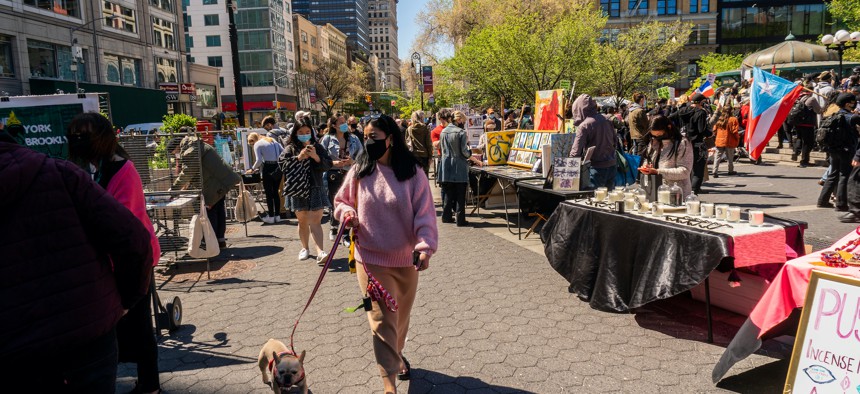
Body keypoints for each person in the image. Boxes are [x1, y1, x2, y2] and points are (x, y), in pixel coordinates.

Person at [1, 123, 153, 391]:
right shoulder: (61, 173)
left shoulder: (102, 170)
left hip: (21, 345)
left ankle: (150, 384)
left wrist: (126, 299)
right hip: (86, 330)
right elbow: (132, 237)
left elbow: (132, 234)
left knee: (141, 333)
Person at [333, 114, 438, 394]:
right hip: (370, 259)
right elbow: (342, 201)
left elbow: (425, 215)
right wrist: (348, 213)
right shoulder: (360, 170)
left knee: (400, 316)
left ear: (390, 139)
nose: (368, 142)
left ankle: (397, 355)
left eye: (374, 137)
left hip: (406, 260)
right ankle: (388, 382)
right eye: (365, 137)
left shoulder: (413, 173)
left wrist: (425, 247)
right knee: (381, 319)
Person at [65, 113, 163, 394]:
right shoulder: (98, 167)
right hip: (117, 262)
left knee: (140, 325)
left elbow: (124, 227)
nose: (76, 141)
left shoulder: (122, 171)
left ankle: (149, 385)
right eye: (73, 135)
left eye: (83, 135)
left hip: (133, 261)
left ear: (101, 137)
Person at [171, 129, 241, 248]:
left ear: (178, 147)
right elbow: (197, 170)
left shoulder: (190, 150)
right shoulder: (196, 145)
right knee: (218, 210)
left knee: (210, 212)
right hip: (221, 180)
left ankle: (211, 243)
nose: (177, 155)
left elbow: (188, 172)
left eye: (175, 152)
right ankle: (220, 240)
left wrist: (174, 189)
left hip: (216, 183)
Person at [280, 119, 333, 263]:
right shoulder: (290, 148)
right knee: (302, 220)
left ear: (312, 132)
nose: (304, 135)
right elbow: (282, 165)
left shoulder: (318, 146)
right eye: (301, 132)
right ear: (295, 133)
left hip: (315, 187)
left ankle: (320, 251)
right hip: (298, 189)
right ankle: (305, 248)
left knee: (316, 220)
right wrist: (298, 158)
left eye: (307, 132)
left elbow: (328, 164)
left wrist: (316, 157)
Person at [320, 115, 363, 242]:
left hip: (350, 174)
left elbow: (362, 156)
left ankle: (345, 233)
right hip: (333, 175)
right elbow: (321, 158)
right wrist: (333, 163)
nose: (345, 125)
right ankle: (334, 227)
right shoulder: (327, 139)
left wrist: (353, 161)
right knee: (335, 203)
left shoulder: (354, 139)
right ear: (334, 125)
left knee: (350, 203)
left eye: (345, 122)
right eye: (341, 122)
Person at [818, 93, 860, 211]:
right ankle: (841, 204)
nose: (854, 104)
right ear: (847, 104)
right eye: (852, 102)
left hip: (833, 149)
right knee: (844, 175)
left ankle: (822, 200)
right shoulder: (852, 117)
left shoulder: (834, 115)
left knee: (833, 174)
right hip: (847, 149)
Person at [438, 110, 480, 226]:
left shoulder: (444, 132)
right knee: (460, 194)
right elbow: (464, 152)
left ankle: (446, 216)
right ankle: (460, 219)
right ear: (458, 120)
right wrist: (472, 156)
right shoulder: (461, 133)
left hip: (446, 166)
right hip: (458, 166)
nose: (464, 123)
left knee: (448, 192)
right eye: (463, 121)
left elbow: (442, 150)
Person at [569, 94, 617, 190]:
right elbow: (615, 141)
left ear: (578, 109)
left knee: (594, 200)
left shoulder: (584, 125)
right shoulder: (606, 119)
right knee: (609, 200)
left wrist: (569, 169)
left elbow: (576, 151)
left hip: (596, 168)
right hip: (611, 165)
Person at [639, 115, 694, 197]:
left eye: (659, 134)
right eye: (654, 135)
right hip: (655, 191)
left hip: (677, 193)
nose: (657, 137)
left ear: (668, 127)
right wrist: (646, 167)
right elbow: (648, 159)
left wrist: (658, 171)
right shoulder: (654, 142)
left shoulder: (682, 143)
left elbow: (684, 171)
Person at [672, 93, 711, 194]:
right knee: (698, 172)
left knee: (685, 170)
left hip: (683, 144)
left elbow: (669, 118)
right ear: (701, 102)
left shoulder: (682, 111)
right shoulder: (701, 113)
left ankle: (684, 194)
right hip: (697, 144)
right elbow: (701, 130)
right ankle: (693, 195)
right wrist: (710, 133)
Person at [246, 132, 284, 223]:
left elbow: (258, 160)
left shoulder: (257, 144)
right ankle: (277, 216)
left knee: (268, 193)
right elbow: (283, 151)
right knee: (275, 192)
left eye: (251, 143)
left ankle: (271, 216)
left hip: (267, 167)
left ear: (253, 140)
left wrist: (252, 169)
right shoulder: (272, 140)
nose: (252, 145)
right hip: (277, 167)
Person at [788, 82, 821, 167]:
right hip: (808, 124)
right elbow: (819, 111)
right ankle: (804, 161)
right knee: (808, 142)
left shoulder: (798, 98)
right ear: (811, 91)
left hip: (797, 123)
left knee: (799, 138)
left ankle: (795, 151)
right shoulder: (812, 99)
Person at [712, 105, 739, 178]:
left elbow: (714, 130)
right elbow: (734, 131)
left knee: (717, 157)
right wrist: (737, 139)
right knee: (730, 158)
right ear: (731, 111)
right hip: (729, 141)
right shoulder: (733, 119)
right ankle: (730, 170)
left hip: (719, 141)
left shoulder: (719, 119)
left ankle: (715, 171)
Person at [405, 110, 433, 175]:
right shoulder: (425, 128)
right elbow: (428, 143)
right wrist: (430, 157)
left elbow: (407, 143)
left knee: (414, 178)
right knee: (424, 179)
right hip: (424, 156)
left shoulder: (409, 129)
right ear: (422, 118)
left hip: (413, 156)